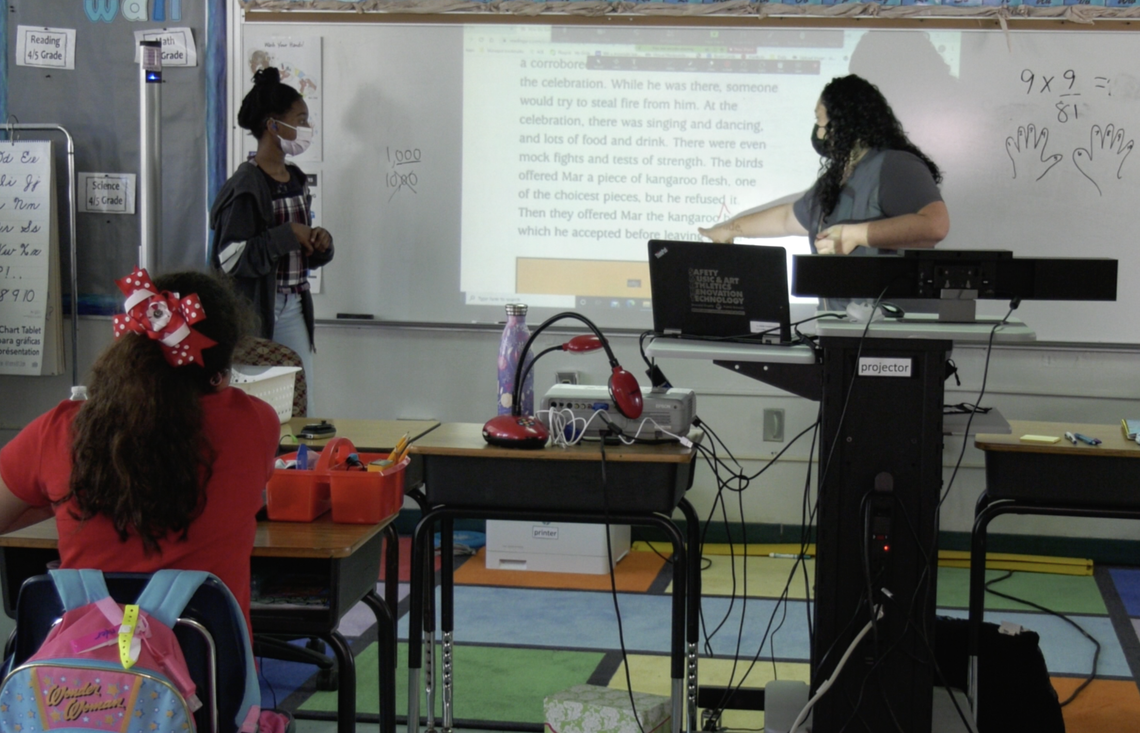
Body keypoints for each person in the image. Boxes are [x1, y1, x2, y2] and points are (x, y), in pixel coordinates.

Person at [0, 268, 281, 634]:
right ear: (220, 372)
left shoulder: (60, 430)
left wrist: (66, 498)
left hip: (84, 680)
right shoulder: (256, 423)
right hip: (211, 677)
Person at [699, 74, 949, 259]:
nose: (818, 132)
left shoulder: (895, 165)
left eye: (820, 121)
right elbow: (788, 219)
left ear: (845, 122)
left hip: (888, 325)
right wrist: (728, 230)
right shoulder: (837, 178)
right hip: (840, 322)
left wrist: (855, 235)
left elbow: (934, 225)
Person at [210, 67, 333, 415]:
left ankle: (293, 469)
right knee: (257, 407)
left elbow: (294, 251)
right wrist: (288, 234)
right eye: (301, 120)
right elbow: (230, 259)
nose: (307, 129)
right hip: (256, 311)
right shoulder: (246, 185)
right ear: (273, 125)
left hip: (293, 304)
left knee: (298, 406)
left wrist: (319, 244)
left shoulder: (294, 178)